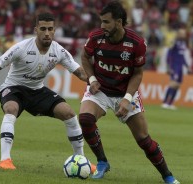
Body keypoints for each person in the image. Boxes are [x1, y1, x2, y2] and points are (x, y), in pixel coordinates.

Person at [0, 12, 95, 172]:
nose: (47, 33)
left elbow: (80, 73)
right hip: (14, 88)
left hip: (37, 90)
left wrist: (95, 81)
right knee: (11, 109)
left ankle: (81, 159)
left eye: (50, 29)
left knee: (69, 113)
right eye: (43, 28)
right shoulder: (21, 48)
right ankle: (5, 159)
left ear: (55, 30)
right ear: (36, 29)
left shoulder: (59, 51)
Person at [78, 1, 180, 184]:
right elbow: (85, 57)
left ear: (119, 22)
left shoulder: (136, 43)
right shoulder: (96, 37)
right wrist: (91, 79)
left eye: (106, 22)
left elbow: (138, 74)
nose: (102, 26)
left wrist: (126, 99)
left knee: (143, 139)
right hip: (100, 89)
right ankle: (102, 162)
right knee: (85, 118)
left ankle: (167, 176)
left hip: (125, 92)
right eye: (101, 21)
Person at [161, 28, 192, 110]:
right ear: (178, 34)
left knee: (177, 86)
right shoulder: (174, 42)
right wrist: (169, 67)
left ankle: (170, 103)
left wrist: (187, 66)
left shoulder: (183, 43)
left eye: (184, 33)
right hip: (174, 66)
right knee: (172, 84)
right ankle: (165, 102)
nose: (184, 35)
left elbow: (182, 57)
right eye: (182, 33)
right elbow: (169, 55)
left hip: (180, 67)